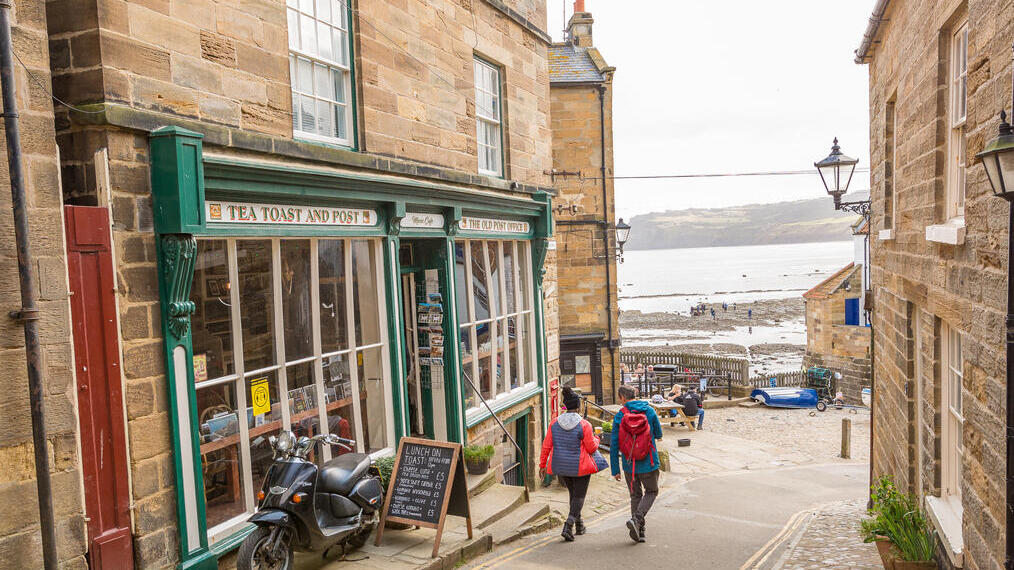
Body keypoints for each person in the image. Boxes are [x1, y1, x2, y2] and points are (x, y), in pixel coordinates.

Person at [539, 387, 602, 541]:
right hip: (579, 465)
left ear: (566, 406)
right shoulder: (584, 425)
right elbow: (591, 447)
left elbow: (546, 445)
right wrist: (597, 438)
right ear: (578, 407)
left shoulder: (554, 423)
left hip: (561, 466)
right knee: (579, 496)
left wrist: (542, 465)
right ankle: (568, 525)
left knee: (573, 495)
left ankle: (579, 525)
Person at [611, 385, 663, 543]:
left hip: (629, 465)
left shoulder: (620, 415)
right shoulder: (649, 411)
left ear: (622, 398)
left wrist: (615, 469)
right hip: (649, 462)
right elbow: (659, 433)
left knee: (635, 495)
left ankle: (640, 531)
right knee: (652, 491)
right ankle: (637, 520)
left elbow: (614, 444)